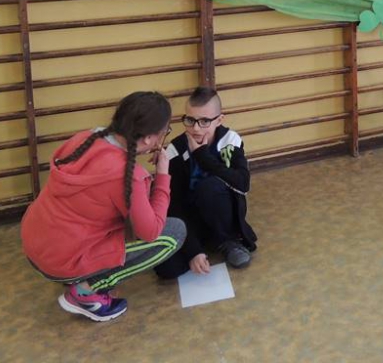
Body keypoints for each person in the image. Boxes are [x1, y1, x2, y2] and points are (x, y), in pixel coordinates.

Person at [21, 91, 185, 322]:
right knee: (174, 233)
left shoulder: (85, 138)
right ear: (149, 138)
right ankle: (86, 293)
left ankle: (78, 275)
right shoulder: (128, 176)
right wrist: (162, 176)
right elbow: (151, 231)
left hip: (35, 243)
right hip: (58, 262)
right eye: (164, 132)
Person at [156, 87, 258, 279]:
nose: (196, 128)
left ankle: (227, 240)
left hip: (221, 212)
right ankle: (203, 244)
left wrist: (202, 156)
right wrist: (193, 250)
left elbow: (242, 184)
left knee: (208, 187)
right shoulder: (175, 149)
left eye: (204, 121)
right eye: (190, 120)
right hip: (191, 219)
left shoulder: (230, 140)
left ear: (219, 120)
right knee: (167, 269)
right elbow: (174, 204)